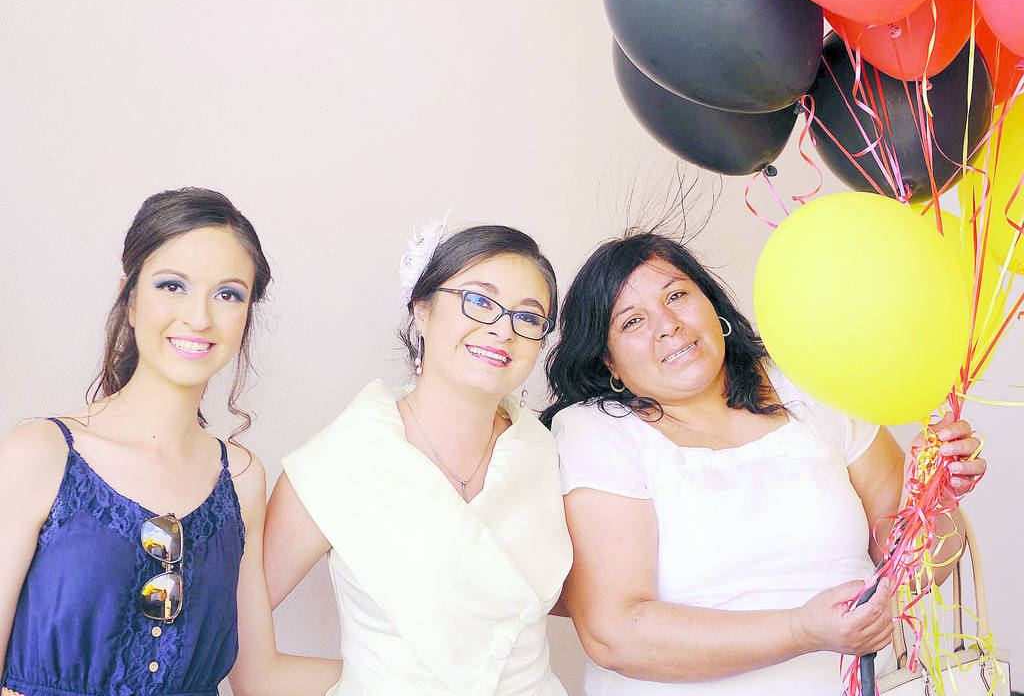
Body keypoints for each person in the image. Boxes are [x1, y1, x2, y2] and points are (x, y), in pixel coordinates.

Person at [541, 231, 986, 696]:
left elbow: (917, 568)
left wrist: (934, 499)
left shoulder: (809, 384)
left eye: (677, 296)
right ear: (609, 362)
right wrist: (802, 630)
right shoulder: (597, 430)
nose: (668, 325)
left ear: (712, 305)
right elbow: (616, 634)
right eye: (632, 321)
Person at [0, 188, 339, 696]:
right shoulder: (39, 454)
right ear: (130, 299)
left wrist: (438, 673)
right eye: (172, 285)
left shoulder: (241, 478)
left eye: (228, 294)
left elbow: (259, 677)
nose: (199, 317)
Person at [262, 224, 573, 695]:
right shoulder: (338, 462)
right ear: (422, 309)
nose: (502, 329)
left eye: (528, 317)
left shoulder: (545, 449)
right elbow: (227, 633)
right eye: (479, 300)